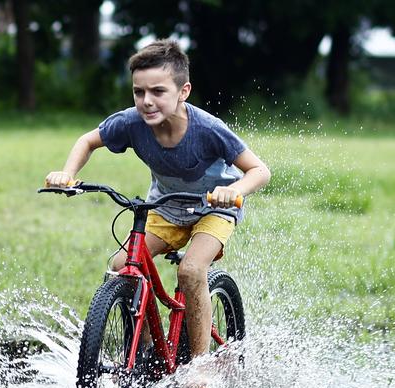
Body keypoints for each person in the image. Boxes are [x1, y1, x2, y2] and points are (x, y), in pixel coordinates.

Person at [45, 39, 270, 358]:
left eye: (158, 92)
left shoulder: (207, 129)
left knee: (191, 272)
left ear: (183, 92)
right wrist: (67, 174)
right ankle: (146, 349)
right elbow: (87, 141)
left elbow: (260, 170)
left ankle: (199, 364)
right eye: (139, 92)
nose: (147, 101)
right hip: (165, 208)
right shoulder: (131, 123)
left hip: (213, 209)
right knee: (122, 266)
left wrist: (234, 191)